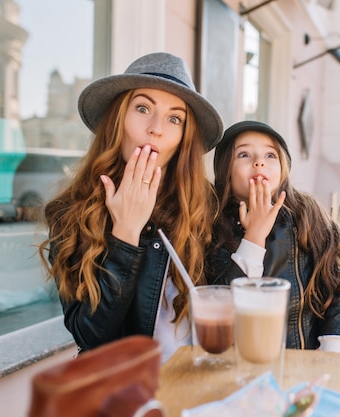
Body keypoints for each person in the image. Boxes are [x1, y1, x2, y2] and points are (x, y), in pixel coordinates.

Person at [38, 52, 223, 362]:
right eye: (142, 108)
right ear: (117, 120)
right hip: (126, 395)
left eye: (174, 118)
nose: (156, 128)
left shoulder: (207, 207)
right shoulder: (70, 211)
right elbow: (91, 336)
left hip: (197, 391)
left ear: (183, 138)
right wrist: (125, 233)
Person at [206, 121, 340, 353]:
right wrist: (254, 236)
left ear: (283, 170)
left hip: (305, 363)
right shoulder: (211, 224)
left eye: (270, 155)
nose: (259, 162)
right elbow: (222, 308)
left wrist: (333, 349)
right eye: (244, 154)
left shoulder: (307, 214)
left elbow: (336, 288)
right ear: (225, 171)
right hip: (237, 362)